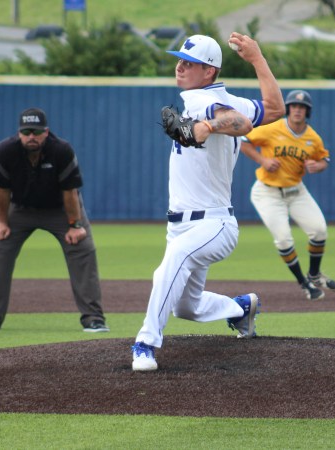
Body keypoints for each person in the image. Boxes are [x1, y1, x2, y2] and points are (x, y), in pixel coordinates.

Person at [131, 33, 285, 371]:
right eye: (180, 60)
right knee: (186, 307)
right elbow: (275, 108)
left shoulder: (201, 100)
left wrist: (207, 127)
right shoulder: (224, 99)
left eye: (190, 62)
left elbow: (241, 123)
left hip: (213, 224)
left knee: (173, 261)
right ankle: (240, 309)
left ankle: (145, 343)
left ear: (209, 71)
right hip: (184, 225)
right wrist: (257, 59)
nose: (180, 66)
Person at [0, 107, 108, 333]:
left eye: (36, 131)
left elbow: (70, 192)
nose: (31, 136)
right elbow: (2, 190)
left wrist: (75, 225)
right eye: (26, 132)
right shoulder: (5, 151)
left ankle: (93, 317)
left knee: (82, 249)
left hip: (61, 209)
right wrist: (1, 222)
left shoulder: (61, 150)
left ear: (46, 132)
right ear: (19, 133)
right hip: (20, 209)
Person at [239, 90, 335, 301]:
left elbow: (324, 159)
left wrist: (318, 166)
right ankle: (304, 283)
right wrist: (262, 160)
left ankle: (314, 275)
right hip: (267, 192)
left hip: (296, 190)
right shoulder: (273, 128)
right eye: (294, 106)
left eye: (302, 107)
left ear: (307, 111)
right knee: (284, 240)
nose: (297, 110)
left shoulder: (312, 138)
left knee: (319, 230)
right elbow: (244, 141)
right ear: (288, 108)